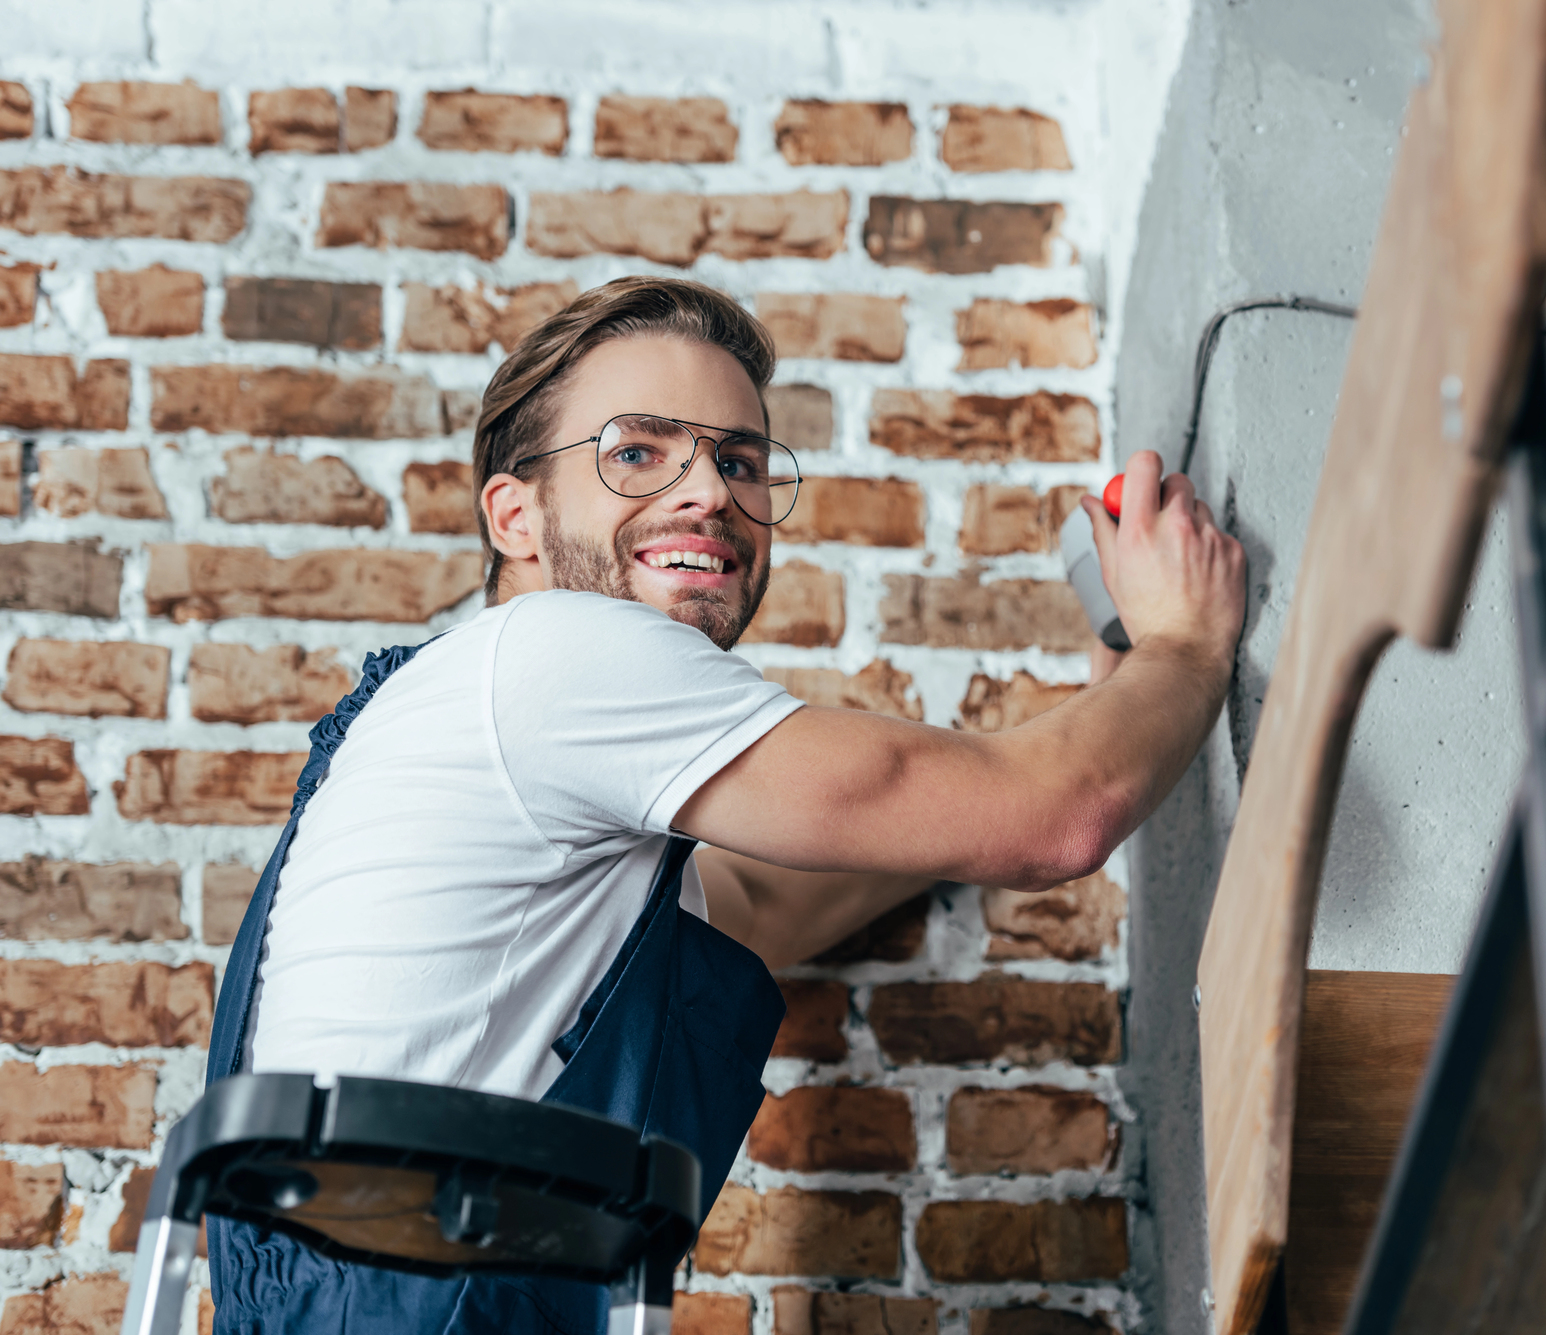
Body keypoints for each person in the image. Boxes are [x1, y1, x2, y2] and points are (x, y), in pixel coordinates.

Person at [204, 275, 1245, 1333]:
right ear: (515, 516)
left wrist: (1073, 736)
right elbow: (1055, 821)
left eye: (738, 460)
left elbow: (760, 904)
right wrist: (1187, 641)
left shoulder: (477, 726)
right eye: (637, 452)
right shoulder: (559, 653)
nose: (708, 490)